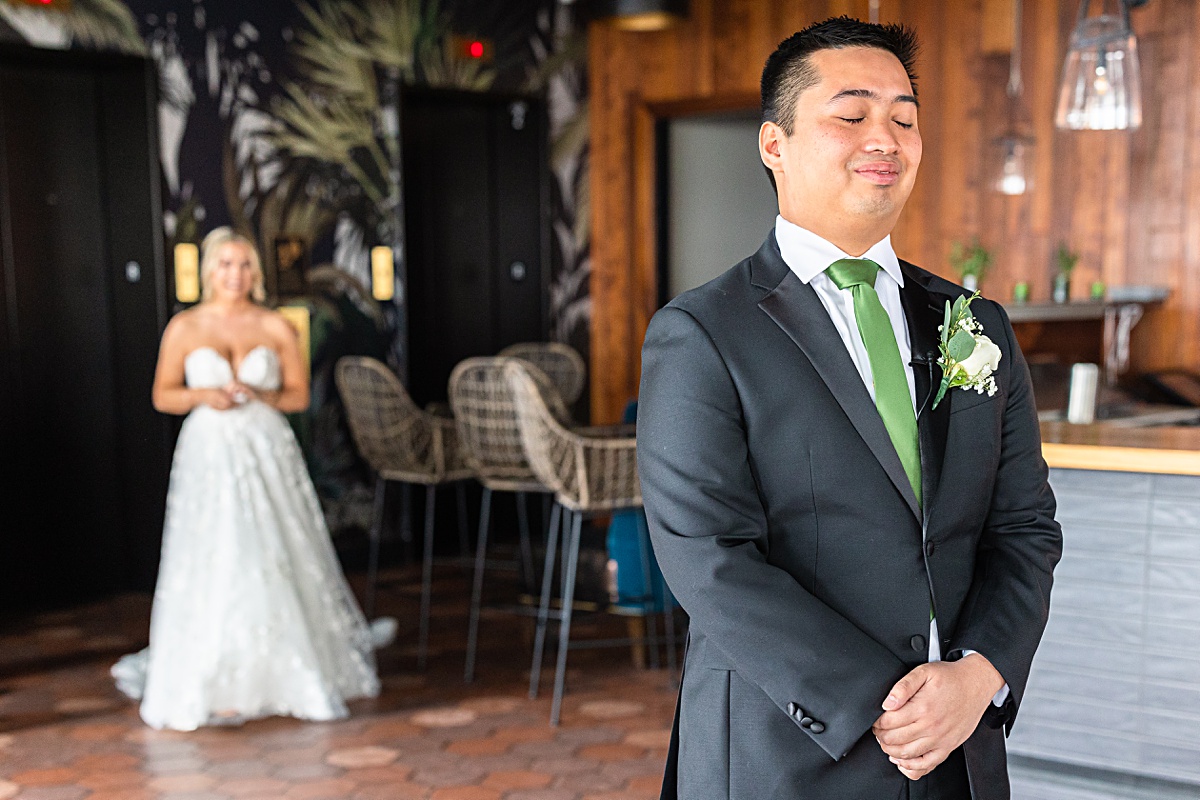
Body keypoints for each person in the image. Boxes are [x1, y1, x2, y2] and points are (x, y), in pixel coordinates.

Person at [637, 17, 1062, 800]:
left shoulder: (975, 324)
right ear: (774, 144)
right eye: (853, 114)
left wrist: (980, 675)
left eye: (904, 118)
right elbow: (709, 556)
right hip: (788, 753)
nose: (886, 138)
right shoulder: (702, 332)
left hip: (958, 754)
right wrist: (887, 706)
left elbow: (1024, 528)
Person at [112, 227, 389, 731]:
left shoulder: (276, 326)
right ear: (209, 271)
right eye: (225, 265)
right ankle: (214, 676)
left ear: (255, 274)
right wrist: (204, 396)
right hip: (209, 451)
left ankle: (288, 668)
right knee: (215, 548)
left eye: (244, 266)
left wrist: (259, 397)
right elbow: (163, 394)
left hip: (265, 445)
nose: (234, 275)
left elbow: (299, 396)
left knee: (272, 548)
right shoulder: (184, 328)